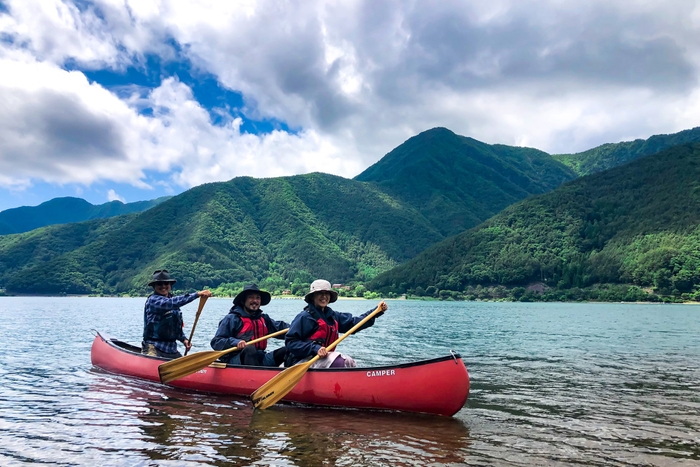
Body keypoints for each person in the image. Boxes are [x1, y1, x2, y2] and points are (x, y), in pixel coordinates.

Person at [284, 279, 388, 368]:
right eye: (320, 293)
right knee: (340, 362)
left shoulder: (332, 316)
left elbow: (354, 323)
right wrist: (315, 348)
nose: (324, 296)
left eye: (326, 293)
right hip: (300, 362)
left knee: (349, 362)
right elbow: (291, 342)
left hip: (321, 360)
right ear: (312, 297)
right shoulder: (305, 317)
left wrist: (376, 312)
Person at [210, 283, 289, 367]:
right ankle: (254, 377)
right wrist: (236, 342)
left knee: (290, 349)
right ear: (243, 301)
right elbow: (216, 341)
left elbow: (281, 328)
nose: (255, 301)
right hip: (236, 360)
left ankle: (291, 377)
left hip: (261, 359)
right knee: (249, 348)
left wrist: (299, 330)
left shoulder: (264, 319)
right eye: (251, 297)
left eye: (257, 298)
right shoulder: (232, 318)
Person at [142, 269, 212, 358]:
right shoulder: (153, 300)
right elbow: (170, 303)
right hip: (153, 347)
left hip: (171, 349)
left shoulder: (173, 301)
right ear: (154, 286)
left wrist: (184, 340)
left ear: (170, 285)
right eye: (159, 284)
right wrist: (197, 294)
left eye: (166, 284)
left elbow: (175, 326)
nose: (163, 286)